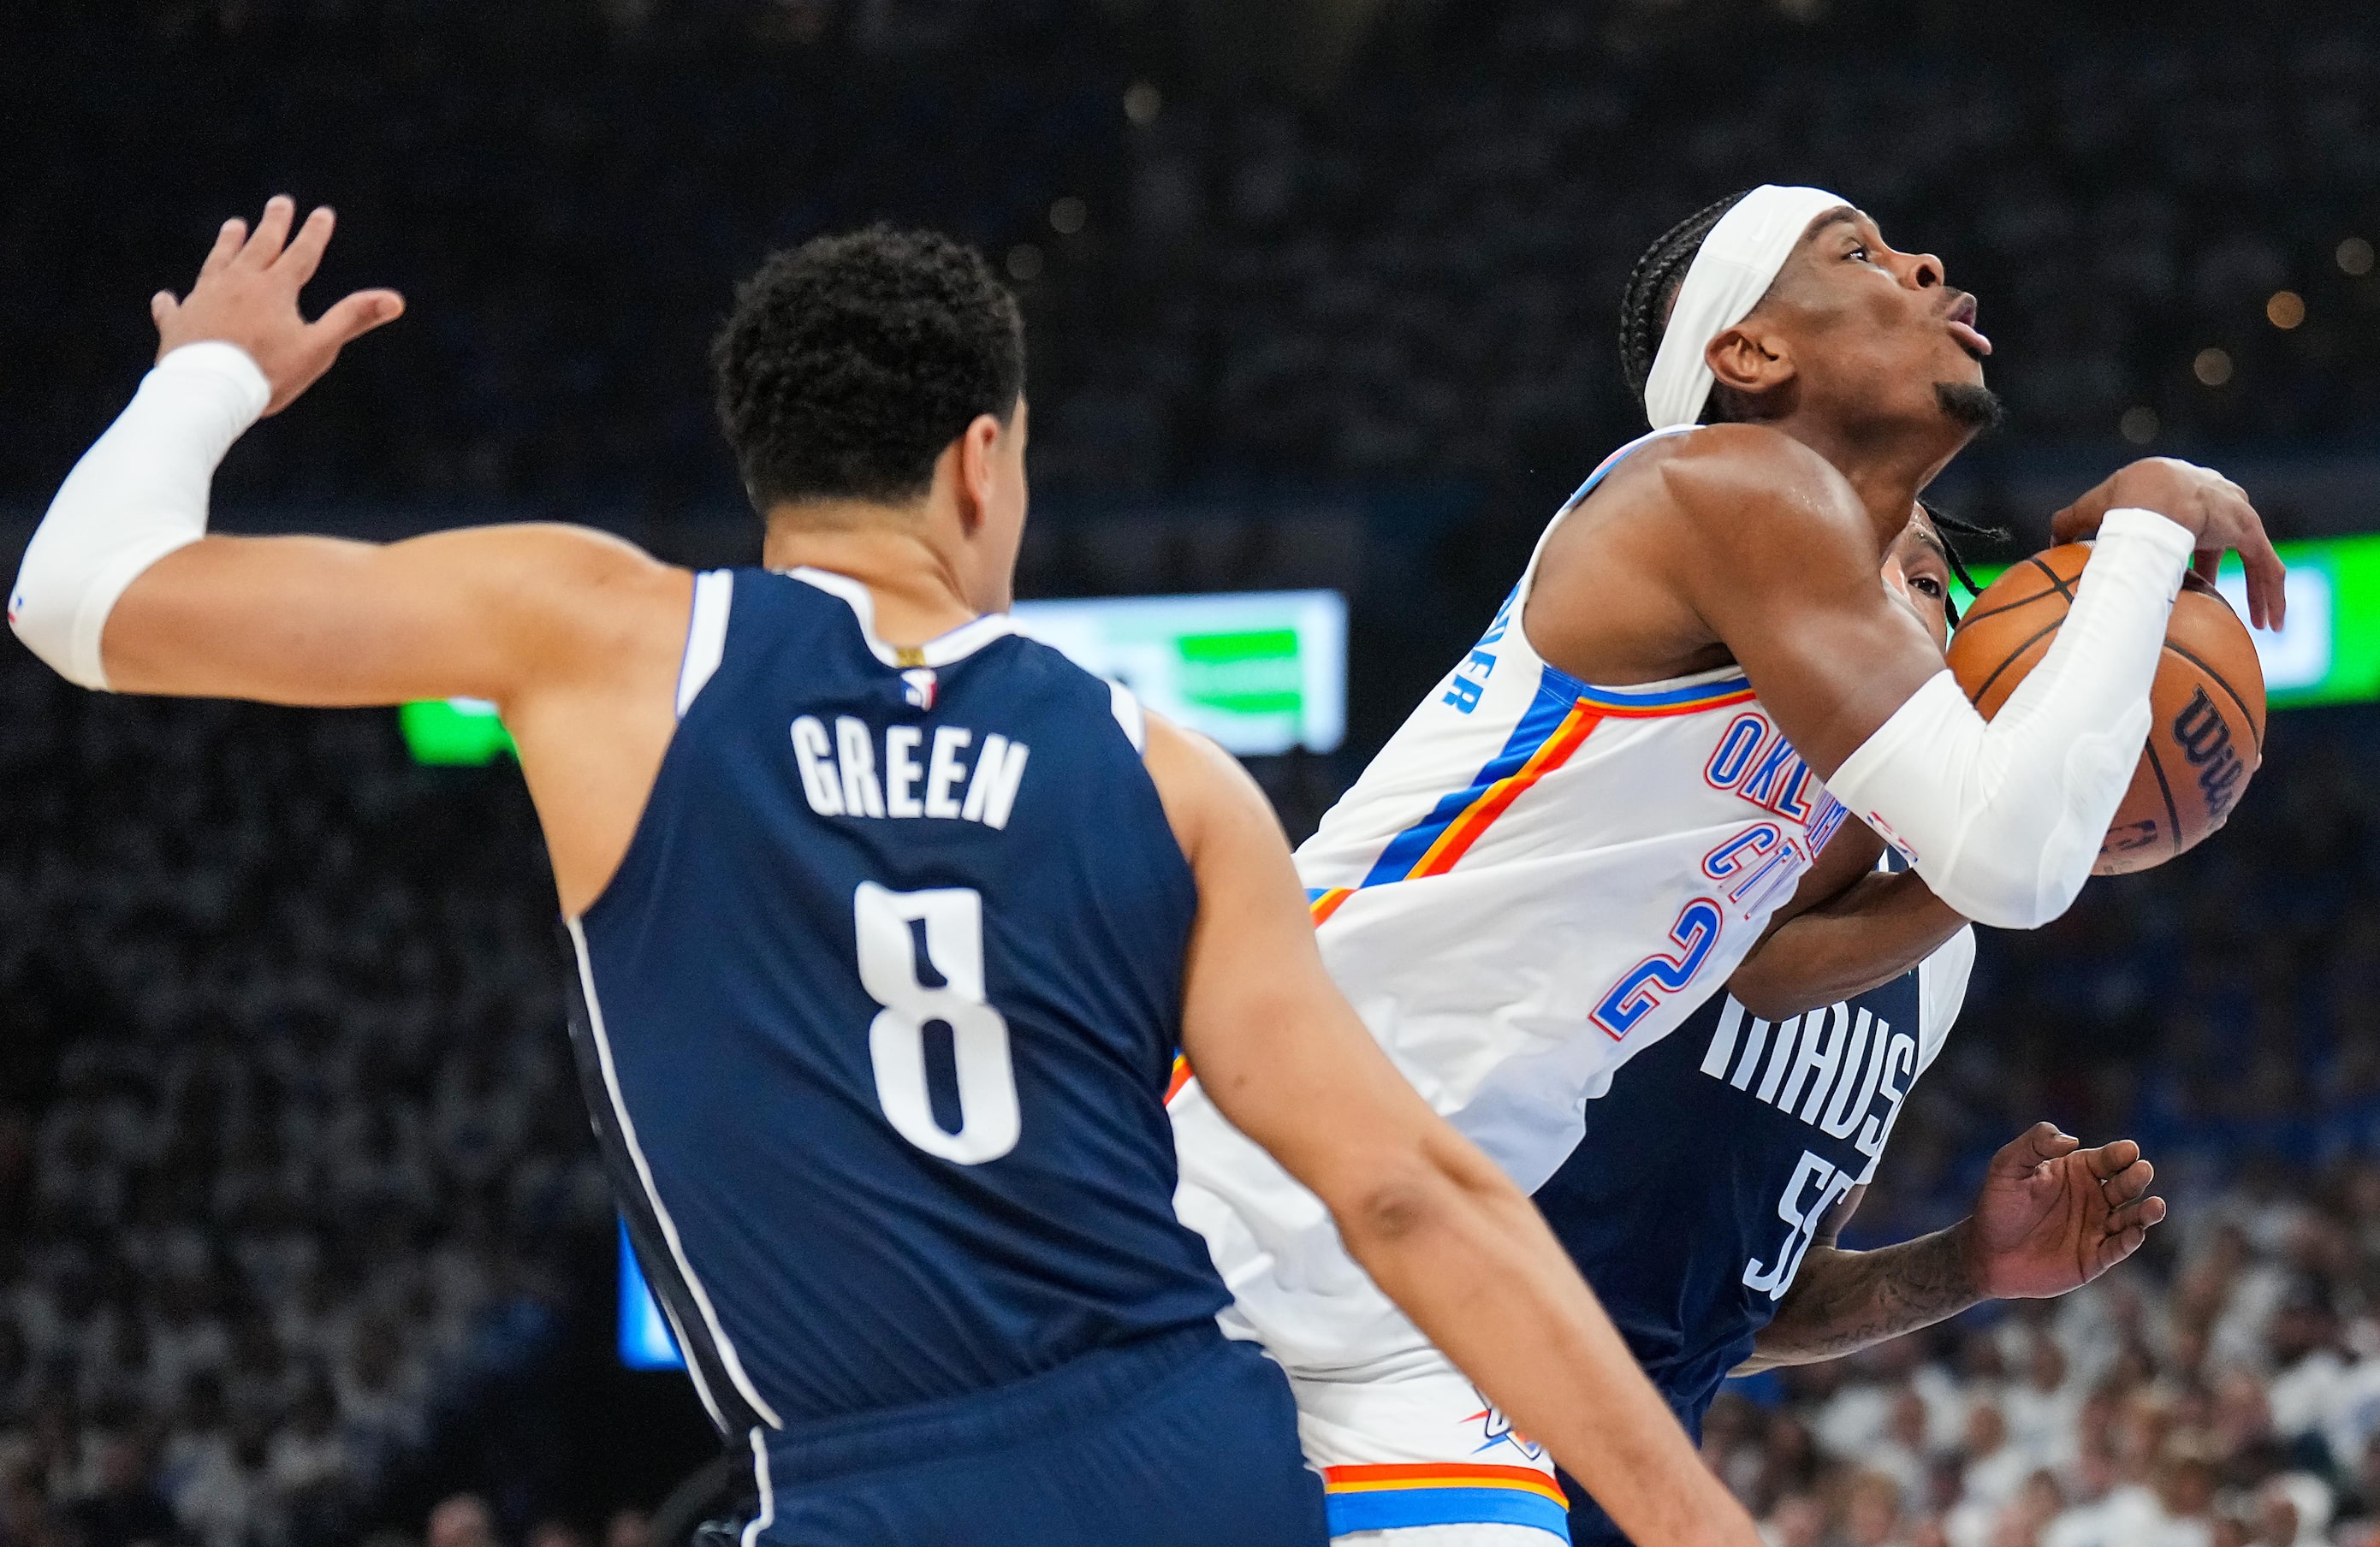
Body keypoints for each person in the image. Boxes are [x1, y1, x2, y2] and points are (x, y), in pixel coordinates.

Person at [8, 202, 1760, 1547]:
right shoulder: (1166, 772)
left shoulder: (602, 635)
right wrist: (1694, 1523)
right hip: (1197, 1461)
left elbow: (75, 600)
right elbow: (1411, 1199)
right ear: (982, 459)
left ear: (764, 460)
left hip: (877, 1485)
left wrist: (214, 370)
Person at [1167, 183, 2282, 1544]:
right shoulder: (1711, 487)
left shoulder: (1829, 741)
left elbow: (1928, 887)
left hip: (1432, 1273)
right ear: (1749, 356)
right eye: (1858, 253)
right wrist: (2148, 522)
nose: (1926, 258)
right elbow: (2010, 854)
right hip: (1243, 1173)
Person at [1534, 507, 2169, 1544]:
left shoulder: (1937, 956)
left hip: (1627, 1486)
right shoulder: (1649, 795)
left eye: (1923, 579)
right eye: (1836, 558)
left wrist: (1967, 1265)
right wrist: (2037, 825)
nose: (1881, 591)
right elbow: (1765, 971)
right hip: (1429, 1424)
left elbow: (1753, 1311)